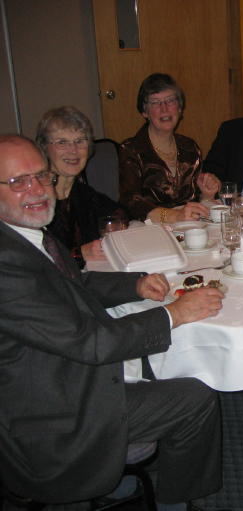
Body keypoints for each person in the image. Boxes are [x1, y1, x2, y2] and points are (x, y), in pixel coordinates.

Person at [0, 135, 225, 505]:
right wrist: (174, 314)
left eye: (41, 176)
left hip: (61, 373)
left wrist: (133, 285)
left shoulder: (25, 234)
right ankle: (177, 502)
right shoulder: (7, 265)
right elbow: (93, 342)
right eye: (18, 181)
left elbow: (74, 281)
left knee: (163, 361)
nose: (36, 189)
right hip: (57, 416)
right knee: (196, 398)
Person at [119, 73, 220, 222]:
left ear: (179, 108)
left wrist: (207, 194)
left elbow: (196, 201)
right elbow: (131, 202)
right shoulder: (131, 149)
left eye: (170, 100)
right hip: (150, 229)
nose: (164, 109)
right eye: (155, 102)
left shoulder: (190, 147)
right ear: (144, 112)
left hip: (188, 227)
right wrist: (173, 216)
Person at [35, 106, 125, 268]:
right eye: (62, 142)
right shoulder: (36, 198)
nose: (73, 150)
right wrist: (79, 254)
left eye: (80, 141)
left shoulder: (81, 192)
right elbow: (35, 262)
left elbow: (120, 215)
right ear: (44, 148)